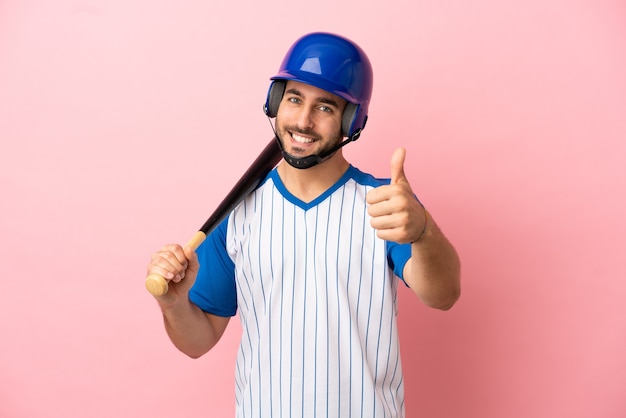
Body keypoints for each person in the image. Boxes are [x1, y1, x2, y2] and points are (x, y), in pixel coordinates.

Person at [147, 32, 461, 418]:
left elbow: (443, 296)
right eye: (294, 99)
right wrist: (174, 305)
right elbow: (197, 342)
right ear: (276, 102)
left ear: (351, 120)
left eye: (326, 107)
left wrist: (424, 231)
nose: (303, 120)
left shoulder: (386, 204)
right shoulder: (237, 213)